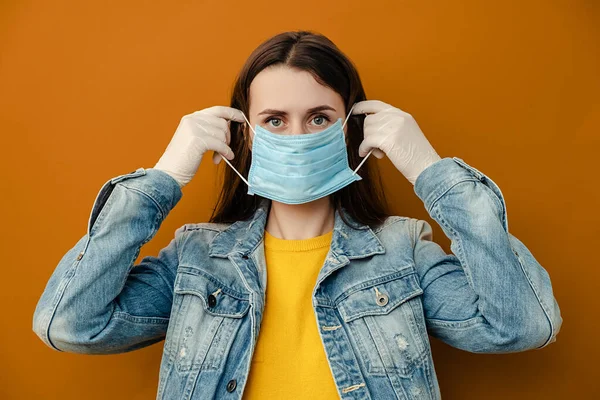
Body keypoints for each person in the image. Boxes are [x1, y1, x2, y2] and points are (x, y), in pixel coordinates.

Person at [32, 30, 562, 400]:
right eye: (275, 120)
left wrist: (428, 167)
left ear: (351, 129)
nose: (299, 135)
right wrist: (164, 178)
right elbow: (70, 324)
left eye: (319, 117)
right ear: (246, 136)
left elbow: (522, 325)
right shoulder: (195, 260)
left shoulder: (404, 252)